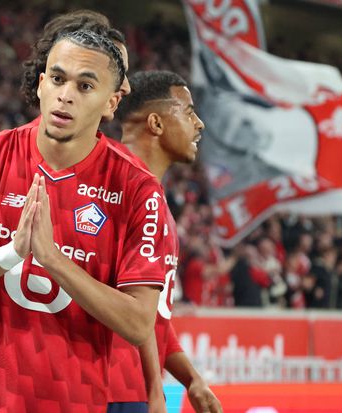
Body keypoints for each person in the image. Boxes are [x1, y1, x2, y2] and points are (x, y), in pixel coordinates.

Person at [0, 29, 169, 412]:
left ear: (112, 102)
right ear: (40, 85)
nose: (65, 95)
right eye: (57, 78)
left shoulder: (137, 189)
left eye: (85, 86)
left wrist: (52, 259)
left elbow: (137, 324)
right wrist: (10, 254)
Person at [113, 70, 222, 413]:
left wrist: (191, 378)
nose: (199, 124)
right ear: (156, 123)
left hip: (129, 387)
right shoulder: (116, 189)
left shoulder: (153, 196)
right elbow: (131, 308)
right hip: (109, 389)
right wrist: (153, 390)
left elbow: (153, 314)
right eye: (188, 112)